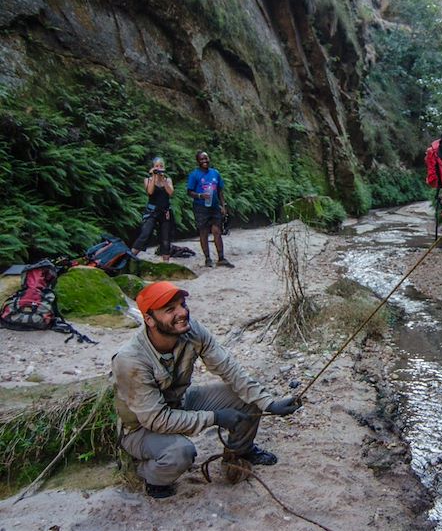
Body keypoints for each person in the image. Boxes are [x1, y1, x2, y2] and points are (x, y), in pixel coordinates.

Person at [111, 281, 301, 498]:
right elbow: (156, 419)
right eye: (170, 309)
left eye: (182, 304)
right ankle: (148, 474)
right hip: (141, 428)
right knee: (180, 453)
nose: (182, 312)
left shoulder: (191, 330)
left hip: (179, 404)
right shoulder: (130, 360)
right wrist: (215, 417)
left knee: (246, 399)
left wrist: (269, 403)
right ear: (149, 320)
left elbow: (229, 369)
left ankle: (240, 453)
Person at [186, 151, 234, 268]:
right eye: (202, 159)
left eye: (206, 158)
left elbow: (220, 191)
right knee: (203, 232)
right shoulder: (194, 175)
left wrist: (223, 206)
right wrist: (200, 196)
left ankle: (221, 258)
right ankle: (207, 259)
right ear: (198, 161)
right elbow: (189, 192)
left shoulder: (215, 173)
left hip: (214, 207)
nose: (204, 161)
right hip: (200, 207)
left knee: (217, 231)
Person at [131, 157, 174, 261]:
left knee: (165, 239)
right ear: (153, 167)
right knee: (145, 234)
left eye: (161, 166)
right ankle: (129, 258)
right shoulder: (148, 180)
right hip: (152, 212)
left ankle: (166, 264)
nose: (159, 168)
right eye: (157, 166)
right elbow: (150, 192)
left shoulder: (168, 180)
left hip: (165, 212)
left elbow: (171, 193)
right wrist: (154, 176)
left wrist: (163, 180)